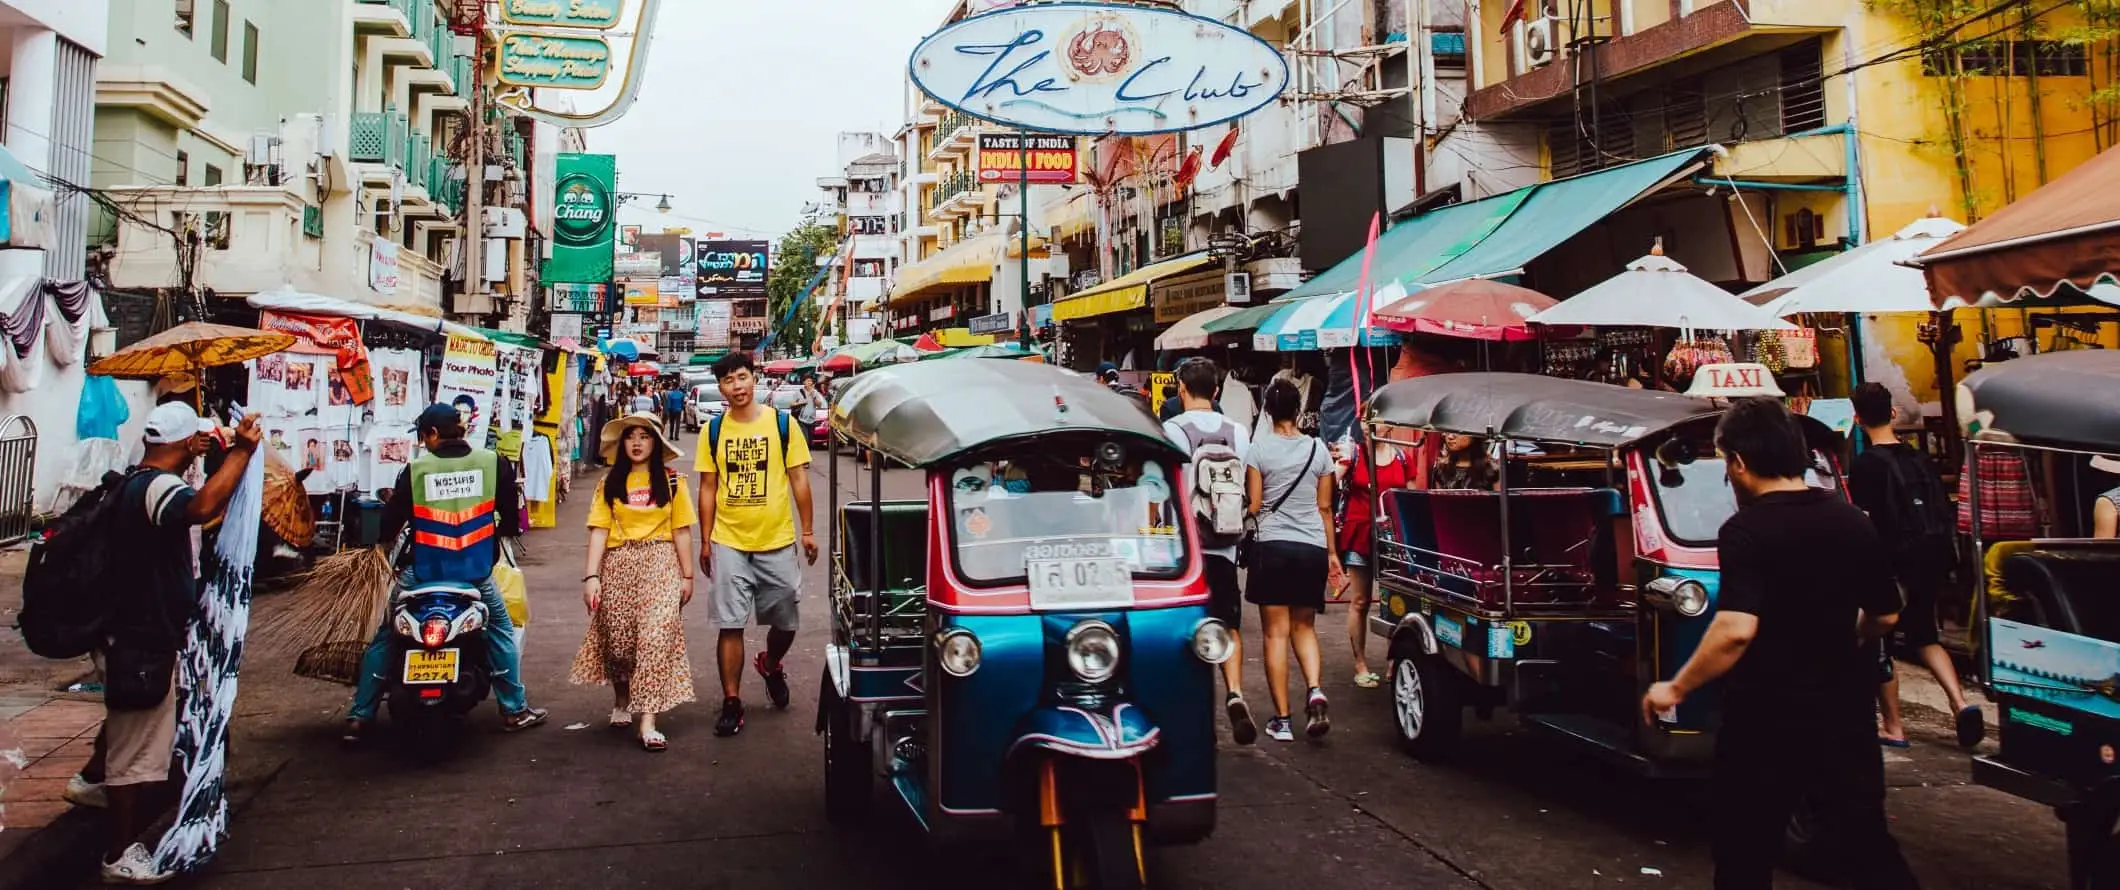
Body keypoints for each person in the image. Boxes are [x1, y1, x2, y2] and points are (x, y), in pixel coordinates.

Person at [1639, 398, 1919, 890]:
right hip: (1844, 718)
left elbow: (1736, 629)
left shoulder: (1745, 531)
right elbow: (1886, 613)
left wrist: (1676, 689)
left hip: (1764, 720)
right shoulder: (1853, 521)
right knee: (1868, 846)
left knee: (1744, 853)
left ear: (1740, 463)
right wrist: (1848, 634)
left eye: (1726, 461)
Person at [92, 403, 259, 884]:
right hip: (141, 637)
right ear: (187, 444)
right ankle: (119, 853)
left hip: (138, 632)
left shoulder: (134, 481)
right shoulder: (159, 487)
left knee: (138, 729)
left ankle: (94, 784)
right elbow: (203, 507)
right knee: (134, 748)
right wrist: (243, 451)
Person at [344, 404, 549, 743]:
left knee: (386, 635)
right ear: (462, 429)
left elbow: (389, 525)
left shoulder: (416, 470)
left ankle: (359, 716)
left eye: (424, 437)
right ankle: (514, 709)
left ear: (434, 435)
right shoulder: (491, 463)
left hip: (421, 575)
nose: (424, 444)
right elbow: (511, 518)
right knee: (500, 629)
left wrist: (382, 546)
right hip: (476, 576)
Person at [1848, 383, 1982, 750]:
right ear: (1893, 413)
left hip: (1891, 564)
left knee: (1879, 642)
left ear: (1857, 420)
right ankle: (1960, 703)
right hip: (1932, 558)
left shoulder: (1865, 465)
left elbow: (1863, 520)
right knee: (1925, 634)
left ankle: (1893, 726)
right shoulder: (1919, 459)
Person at [695, 353, 818, 737]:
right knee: (729, 624)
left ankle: (771, 663)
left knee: (786, 620)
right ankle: (732, 701)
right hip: (728, 541)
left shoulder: (782, 425)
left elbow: (798, 478)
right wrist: (704, 539)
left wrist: (809, 530)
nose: (737, 386)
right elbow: (708, 488)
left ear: (754, 379)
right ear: (721, 388)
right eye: (729, 380)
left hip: (776, 540)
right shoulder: (712, 432)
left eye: (743, 377)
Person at [572, 414, 697, 751]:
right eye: (631, 437)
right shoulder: (608, 484)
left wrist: (687, 576)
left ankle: (649, 721)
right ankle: (622, 698)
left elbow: (681, 530)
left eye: (645, 436)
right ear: (622, 444)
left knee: (656, 637)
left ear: (656, 443)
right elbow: (598, 530)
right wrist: (591, 576)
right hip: (618, 565)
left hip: (660, 563)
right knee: (619, 642)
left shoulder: (673, 482)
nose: (638, 443)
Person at [1160, 357, 1259, 745]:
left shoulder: (1172, 429)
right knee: (1228, 624)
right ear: (1216, 391)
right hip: (1225, 546)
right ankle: (1234, 691)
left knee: (1188, 630)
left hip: (1185, 550)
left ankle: (1197, 710)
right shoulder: (1238, 431)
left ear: (1181, 388)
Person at [1245, 378, 1340, 742]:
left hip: (1272, 547)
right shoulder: (1319, 450)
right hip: (1312, 547)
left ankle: (1282, 721)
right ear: (1298, 411)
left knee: (1275, 634)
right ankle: (1315, 689)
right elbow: (1326, 508)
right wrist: (1332, 554)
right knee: (1304, 628)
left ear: (1267, 410)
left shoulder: (1259, 449)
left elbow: (1254, 505)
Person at [1336, 428, 1416, 688]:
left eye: (1377, 420)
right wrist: (1336, 464)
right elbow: (1330, 481)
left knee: (1397, 602)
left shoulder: (1403, 458)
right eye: (1365, 420)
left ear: (1389, 426)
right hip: (1359, 533)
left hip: (1391, 540)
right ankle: (1360, 662)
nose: (1370, 427)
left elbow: (1410, 500)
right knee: (1359, 601)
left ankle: (1395, 660)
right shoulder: (1355, 454)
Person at [1430, 433, 1498, 491]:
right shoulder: (1441, 469)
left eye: (1457, 432)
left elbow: (1500, 503)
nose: (1450, 437)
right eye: (1447, 431)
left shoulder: (1491, 470)